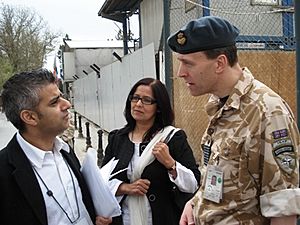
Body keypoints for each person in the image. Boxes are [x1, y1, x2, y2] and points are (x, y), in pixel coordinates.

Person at [167, 16, 300, 225]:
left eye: (188, 63)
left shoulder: (267, 112)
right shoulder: (222, 105)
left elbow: (283, 209)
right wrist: (195, 203)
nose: (180, 73)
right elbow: (224, 179)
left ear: (220, 63)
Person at [0, 69, 112, 225]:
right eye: (54, 102)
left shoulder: (65, 150)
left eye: (62, 97)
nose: (67, 104)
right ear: (30, 117)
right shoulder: (5, 171)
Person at [101, 77, 201, 225]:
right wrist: (124, 188)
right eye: (135, 98)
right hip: (124, 219)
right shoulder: (117, 138)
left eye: (147, 100)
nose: (138, 104)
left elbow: (193, 184)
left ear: (159, 107)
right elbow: (101, 182)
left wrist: (170, 164)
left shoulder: (172, 138)